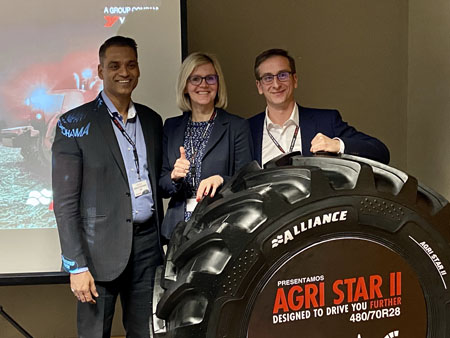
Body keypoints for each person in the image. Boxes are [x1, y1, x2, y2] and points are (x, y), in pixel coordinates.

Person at [52, 36, 164, 338]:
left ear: (138, 69)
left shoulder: (152, 121)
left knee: (146, 333)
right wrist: (75, 266)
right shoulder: (73, 123)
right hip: (96, 254)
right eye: (114, 65)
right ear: (100, 71)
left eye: (130, 65)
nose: (123, 72)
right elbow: (64, 205)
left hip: (147, 253)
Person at [159, 52, 253, 239]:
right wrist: (174, 176)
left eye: (210, 78)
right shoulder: (171, 126)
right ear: (185, 86)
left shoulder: (236, 126)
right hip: (177, 230)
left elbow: (247, 180)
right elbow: (162, 186)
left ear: (218, 85)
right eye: (195, 79)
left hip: (219, 226)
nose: (203, 85)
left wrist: (221, 180)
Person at [248, 48, 390, 166]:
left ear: (295, 79)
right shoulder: (246, 129)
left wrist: (337, 145)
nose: (276, 84)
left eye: (283, 75)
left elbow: (380, 152)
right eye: (268, 78)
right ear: (259, 86)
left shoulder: (326, 121)